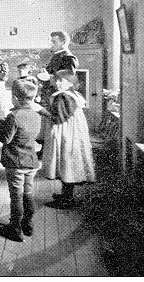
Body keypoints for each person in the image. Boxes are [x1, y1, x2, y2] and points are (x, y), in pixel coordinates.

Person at [42, 70, 95, 209]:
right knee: (68, 162)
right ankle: (66, 194)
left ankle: (67, 198)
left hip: (66, 133)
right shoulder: (72, 94)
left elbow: (58, 118)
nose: (58, 83)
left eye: (62, 81)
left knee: (66, 161)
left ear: (71, 83)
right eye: (57, 80)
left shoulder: (64, 97)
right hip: (73, 132)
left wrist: (41, 111)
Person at [0, 79, 42, 242]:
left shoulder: (13, 116)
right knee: (28, 194)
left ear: (15, 97)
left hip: (15, 162)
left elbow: (6, 139)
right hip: (31, 161)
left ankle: (15, 229)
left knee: (16, 196)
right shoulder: (36, 115)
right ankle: (28, 225)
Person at [37, 31, 79, 107]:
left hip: (60, 101)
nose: (51, 44)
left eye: (54, 42)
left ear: (63, 42)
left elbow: (68, 81)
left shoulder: (69, 58)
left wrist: (49, 77)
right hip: (50, 98)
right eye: (51, 42)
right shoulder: (55, 56)